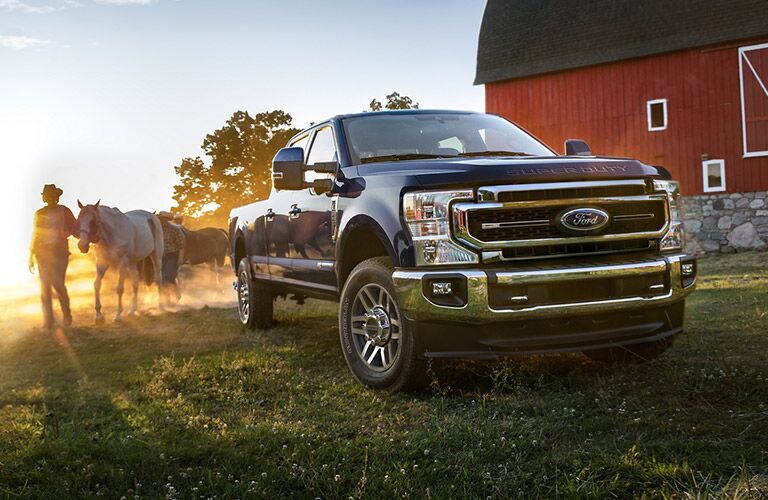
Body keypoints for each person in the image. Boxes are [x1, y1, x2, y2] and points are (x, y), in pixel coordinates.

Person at [29, 184, 78, 329]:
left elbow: (74, 227)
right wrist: (31, 254)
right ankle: (48, 321)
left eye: (51, 195)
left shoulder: (64, 211)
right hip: (42, 254)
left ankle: (67, 316)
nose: (49, 198)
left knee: (58, 283)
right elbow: (35, 234)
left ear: (56, 197)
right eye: (47, 195)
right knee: (45, 287)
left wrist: (67, 233)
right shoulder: (39, 213)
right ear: (45, 197)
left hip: (59, 252)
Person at [157, 211, 185, 303]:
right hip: (162, 256)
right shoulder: (158, 230)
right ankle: (176, 295)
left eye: (163, 219)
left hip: (173, 255)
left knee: (167, 276)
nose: (161, 221)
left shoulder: (174, 229)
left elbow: (181, 245)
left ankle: (167, 298)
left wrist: (180, 258)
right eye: (160, 219)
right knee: (168, 277)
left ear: (167, 220)